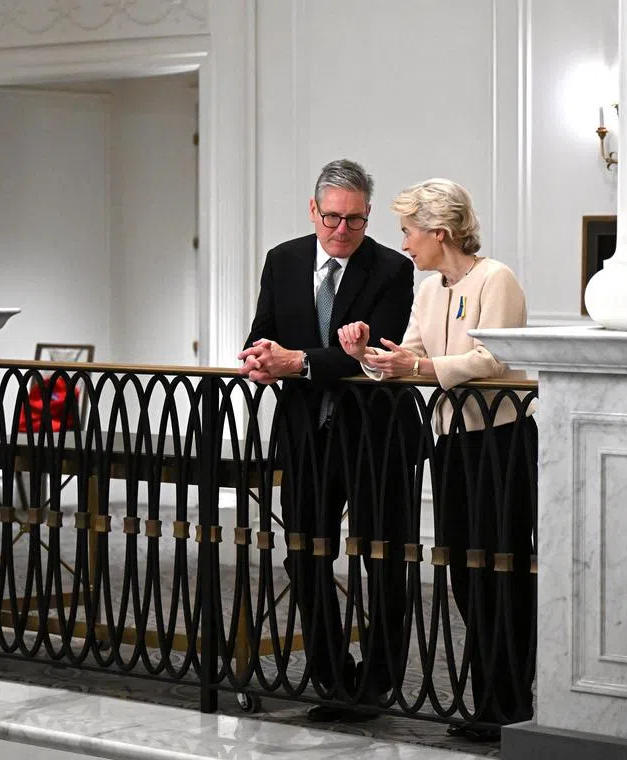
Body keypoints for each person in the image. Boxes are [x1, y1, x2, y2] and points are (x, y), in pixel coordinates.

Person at [338, 178, 536, 740]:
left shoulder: (495, 278)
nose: (403, 243)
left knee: (500, 569)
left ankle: (510, 702)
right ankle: (485, 701)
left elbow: (495, 357)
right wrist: (368, 356)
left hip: (501, 442)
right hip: (451, 444)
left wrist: (420, 370)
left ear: (439, 232)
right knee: (463, 572)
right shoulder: (429, 290)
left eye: (408, 231)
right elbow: (410, 356)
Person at [238, 158, 415, 722]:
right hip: (304, 435)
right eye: (333, 218)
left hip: (376, 437)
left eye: (356, 221)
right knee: (305, 554)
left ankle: (377, 684)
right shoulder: (283, 260)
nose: (343, 232)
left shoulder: (390, 269)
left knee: (381, 557)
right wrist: (261, 357)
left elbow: (376, 356)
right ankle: (333, 677)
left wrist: (301, 361)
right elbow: (261, 332)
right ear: (313, 211)